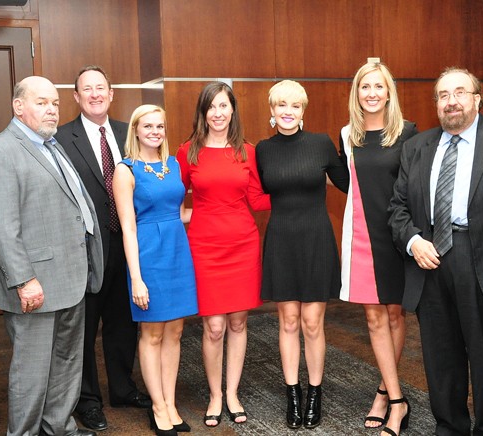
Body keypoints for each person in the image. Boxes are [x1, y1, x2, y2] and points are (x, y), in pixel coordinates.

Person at [388, 68, 483, 436]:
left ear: (477, 98)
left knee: (482, 354)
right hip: (428, 256)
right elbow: (398, 208)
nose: (451, 101)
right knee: (439, 355)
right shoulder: (417, 146)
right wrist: (414, 241)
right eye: (443, 95)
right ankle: (449, 427)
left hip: (479, 257)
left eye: (460, 92)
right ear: (436, 103)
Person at [0, 76, 103, 436]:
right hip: (34, 284)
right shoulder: (1, 151)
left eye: (56, 104)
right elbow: (0, 224)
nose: (51, 110)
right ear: (18, 106)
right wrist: (23, 279)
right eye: (42, 102)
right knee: (31, 372)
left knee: (65, 363)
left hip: (69, 277)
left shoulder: (51, 143)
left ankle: (59, 427)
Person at [55, 65, 150, 432]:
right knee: (84, 327)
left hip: (126, 243)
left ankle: (123, 389)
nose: (95, 94)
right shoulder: (61, 138)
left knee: (124, 322)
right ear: (76, 97)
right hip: (84, 249)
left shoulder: (130, 134)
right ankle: (88, 400)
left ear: (111, 94)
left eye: (101, 88)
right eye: (87, 89)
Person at [176, 81, 270, 427]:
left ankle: (233, 393)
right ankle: (215, 394)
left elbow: (259, 199)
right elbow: (174, 194)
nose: (218, 113)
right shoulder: (189, 151)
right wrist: (186, 214)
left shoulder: (247, 151)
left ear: (233, 110)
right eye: (211, 107)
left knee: (238, 321)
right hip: (204, 247)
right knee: (214, 326)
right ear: (204, 112)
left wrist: (299, 190)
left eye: (223, 106)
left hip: (243, 245)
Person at [255, 80, 348, 430]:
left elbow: (351, 184)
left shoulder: (321, 144)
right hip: (281, 240)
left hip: (316, 241)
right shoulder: (263, 149)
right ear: (272, 110)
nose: (287, 111)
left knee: (312, 323)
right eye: (281, 105)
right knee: (288, 321)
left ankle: (315, 392)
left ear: (303, 110)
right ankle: (292, 393)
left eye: (294, 105)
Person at [338, 62, 418, 435]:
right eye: (364, 87)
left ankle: (385, 392)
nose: (371, 93)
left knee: (395, 315)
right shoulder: (346, 135)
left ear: (389, 92)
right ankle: (397, 401)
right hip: (361, 235)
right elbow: (348, 184)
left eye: (378, 86)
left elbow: (414, 191)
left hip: (396, 236)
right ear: (356, 93)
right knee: (373, 317)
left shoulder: (408, 134)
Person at [114, 104, 198, 436]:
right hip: (147, 255)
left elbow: (178, 214)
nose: (155, 131)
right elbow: (128, 228)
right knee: (152, 334)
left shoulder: (173, 165)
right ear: (135, 130)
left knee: (175, 333)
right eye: (147, 126)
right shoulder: (126, 169)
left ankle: (171, 402)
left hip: (178, 253)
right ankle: (157, 405)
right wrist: (136, 277)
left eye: (160, 126)